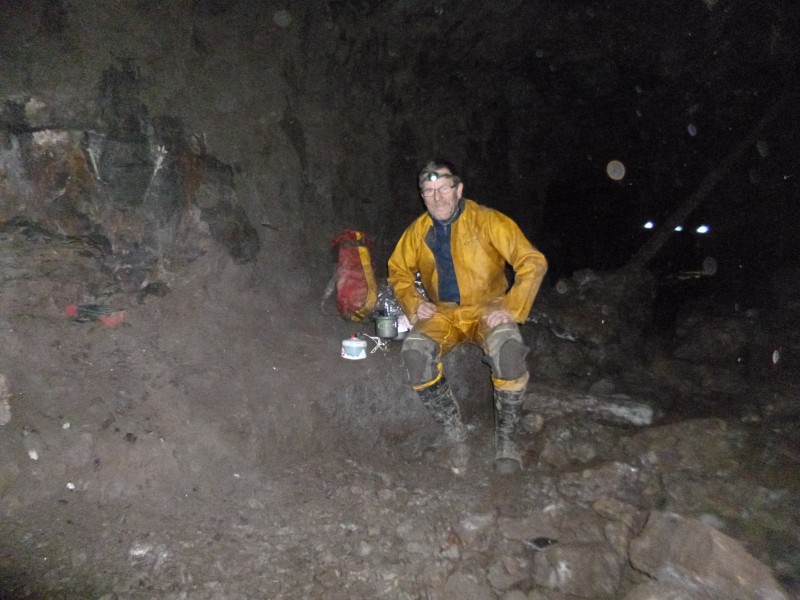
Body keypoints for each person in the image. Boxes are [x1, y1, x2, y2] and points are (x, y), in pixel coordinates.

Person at [388, 160, 547, 474]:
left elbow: (532, 261)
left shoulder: (487, 221)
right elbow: (398, 272)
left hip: (488, 309)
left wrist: (511, 308)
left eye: (444, 189)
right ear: (422, 196)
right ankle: (453, 432)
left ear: (458, 190)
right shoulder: (418, 231)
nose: (437, 198)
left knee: (509, 351)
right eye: (429, 191)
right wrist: (413, 302)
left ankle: (507, 439)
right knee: (415, 354)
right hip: (443, 314)